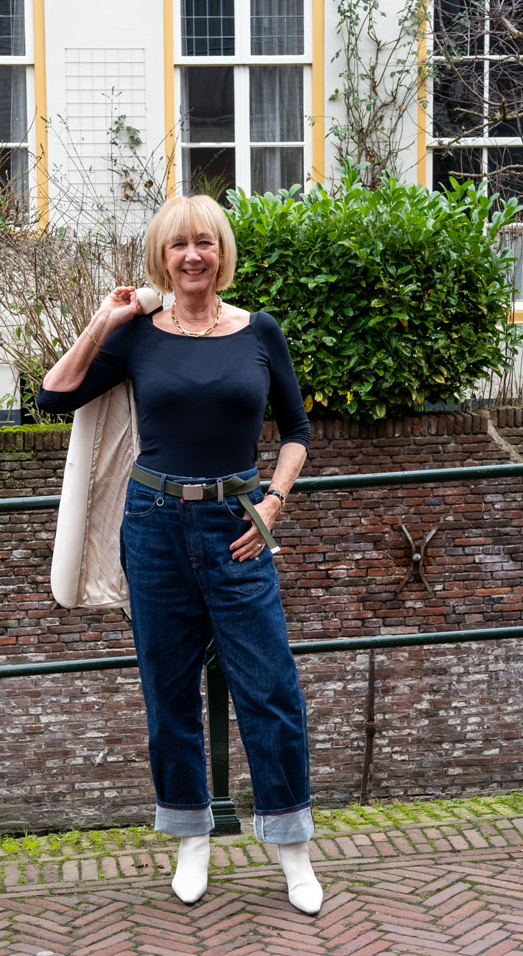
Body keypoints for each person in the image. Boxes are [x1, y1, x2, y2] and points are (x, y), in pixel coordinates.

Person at [37, 194, 322, 915]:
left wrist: (273, 501)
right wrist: (106, 318)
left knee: (271, 690)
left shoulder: (259, 332)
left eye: (204, 242)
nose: (191, 256)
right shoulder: (139, 337)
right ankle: (190, 837)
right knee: (168, 692)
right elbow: (52, 395)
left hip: (237, 525)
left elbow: (296, 429)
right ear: (160, 257)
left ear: (221, 252)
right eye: (177, 245)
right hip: (154, 524)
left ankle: (293, 849)